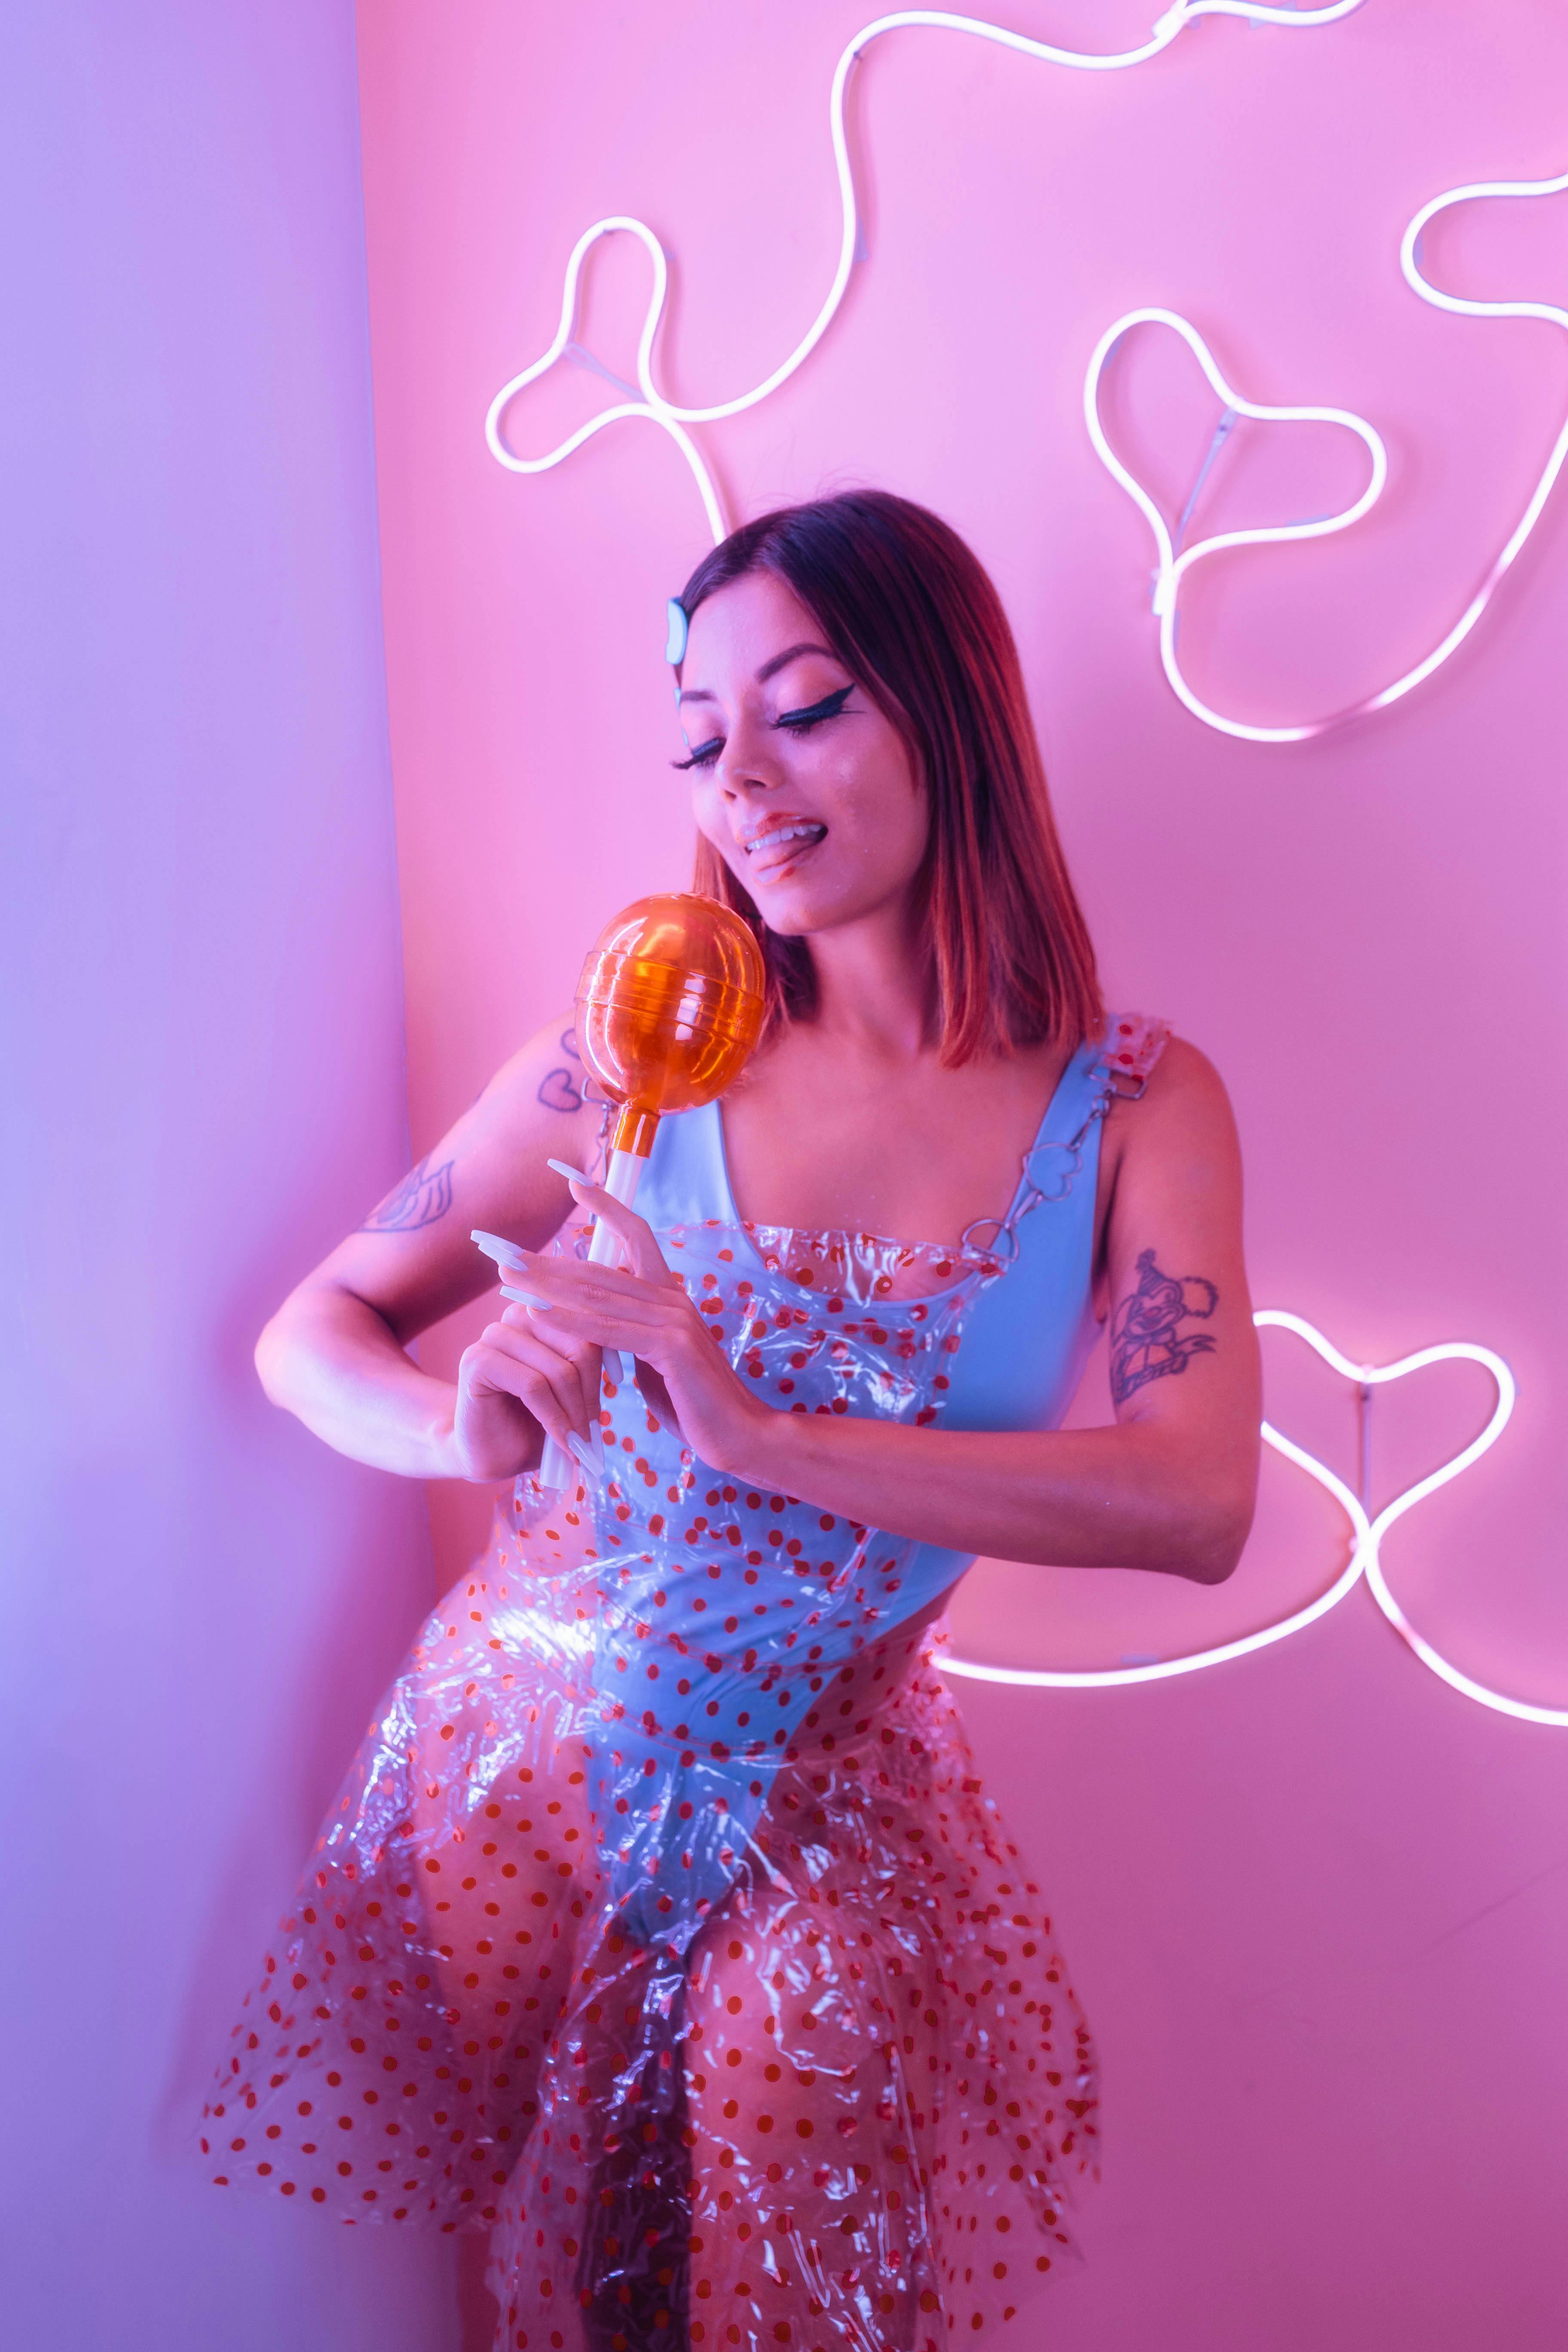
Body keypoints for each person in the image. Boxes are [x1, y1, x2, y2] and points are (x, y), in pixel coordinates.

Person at [202, 490, 1261, 2352]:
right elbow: (314, 1333)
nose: (744, 781)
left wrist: (753, 1425)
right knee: (558, 2278)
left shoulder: (1134, 1107)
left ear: (953, 709)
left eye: (806, 708)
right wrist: (464, 1429)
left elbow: (1195, 1503)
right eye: (701, 737)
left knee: (794, 2282)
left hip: (834, 1787)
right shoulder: (632, 1049)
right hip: (516, 1759)